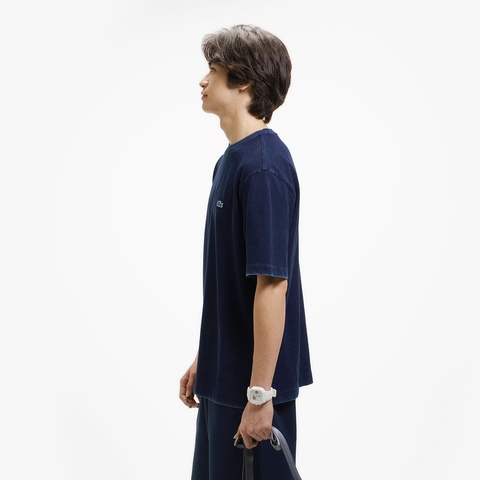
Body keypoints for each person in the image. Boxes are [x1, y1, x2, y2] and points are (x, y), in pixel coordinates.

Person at [179, 24, 313, 479]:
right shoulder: (232, 160)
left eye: (213, 70)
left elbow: (272, 286)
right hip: (228, 381)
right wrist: (208, 356)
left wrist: (260, 396)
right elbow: (232, 281)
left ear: (243, 82)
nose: (203, 80)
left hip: (254, 393)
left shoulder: (263, 168)